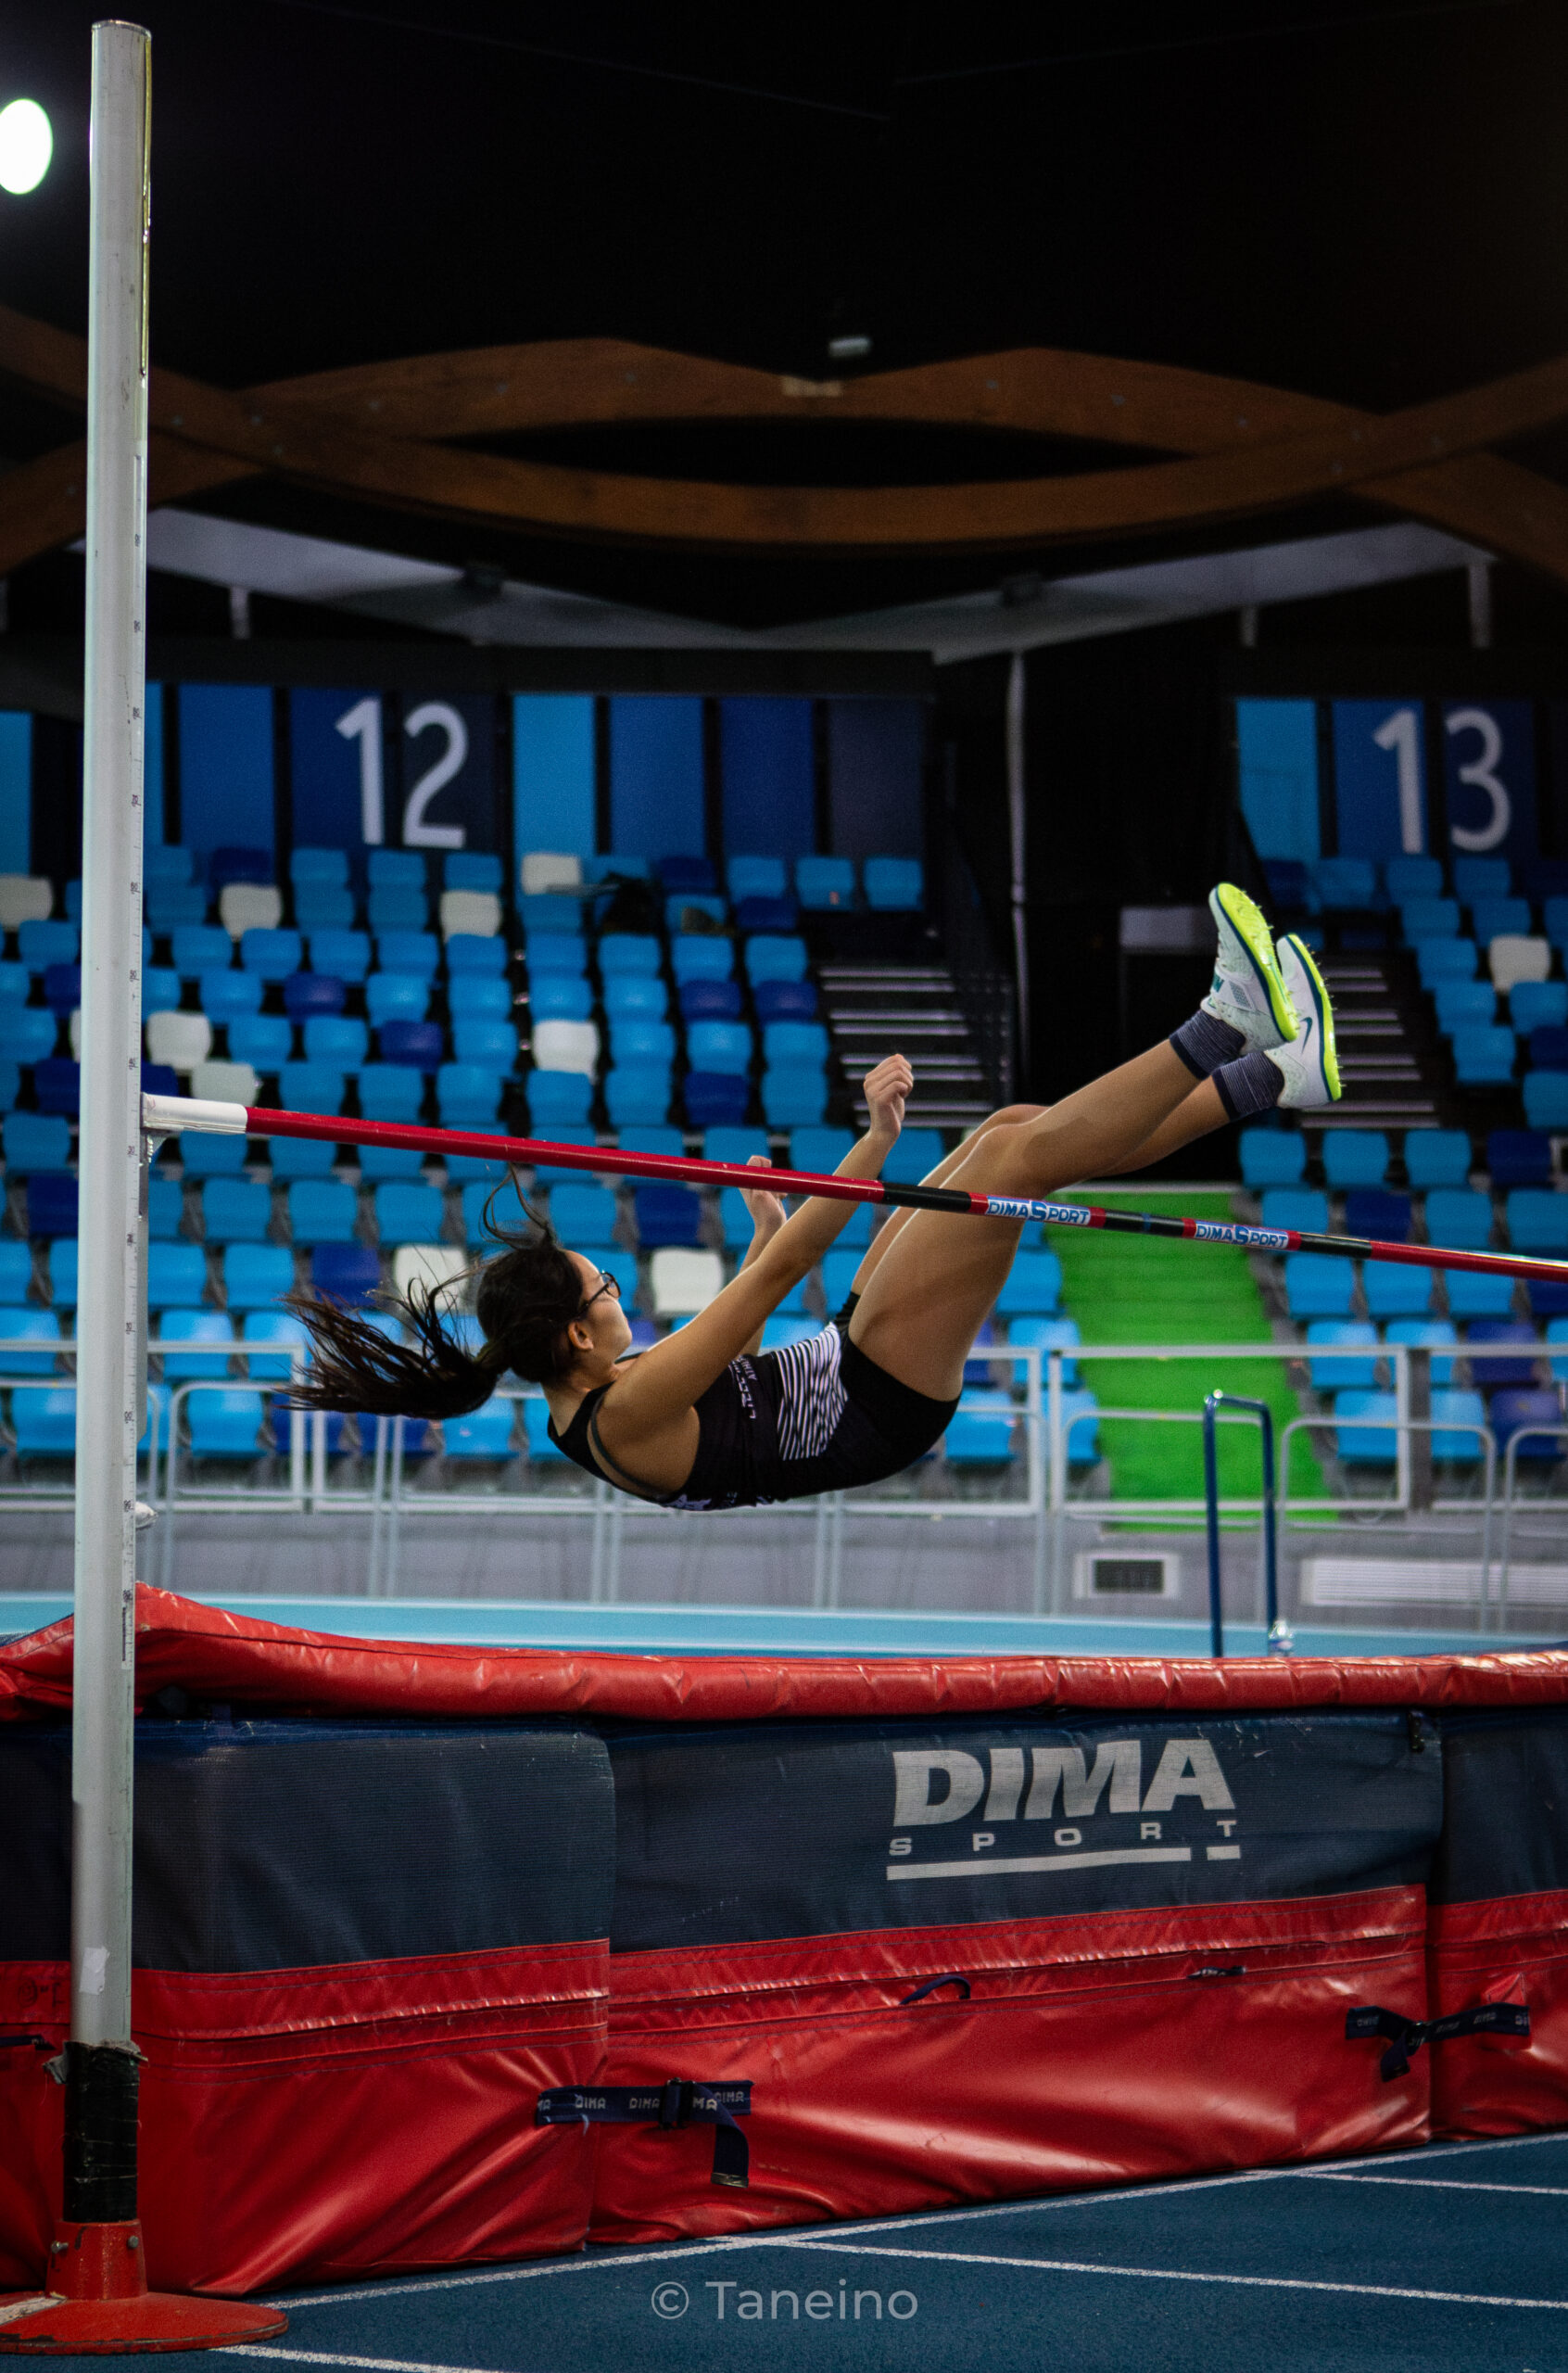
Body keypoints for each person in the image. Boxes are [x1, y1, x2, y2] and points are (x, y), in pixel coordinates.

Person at [288, 884, 1337, 1509]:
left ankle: (1277, 1076)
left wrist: (766, 1233)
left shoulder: (595, 1395)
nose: (616, 1290)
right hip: (876, 1400)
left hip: (847, 1364)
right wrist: (870, 1145)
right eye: (601, 1286)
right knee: (1012, 1171)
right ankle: (1224, 1024)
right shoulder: (623, 1411)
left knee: (1008, 1131)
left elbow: (745, 1335)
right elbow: (783, 1279)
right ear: (573, 1333)